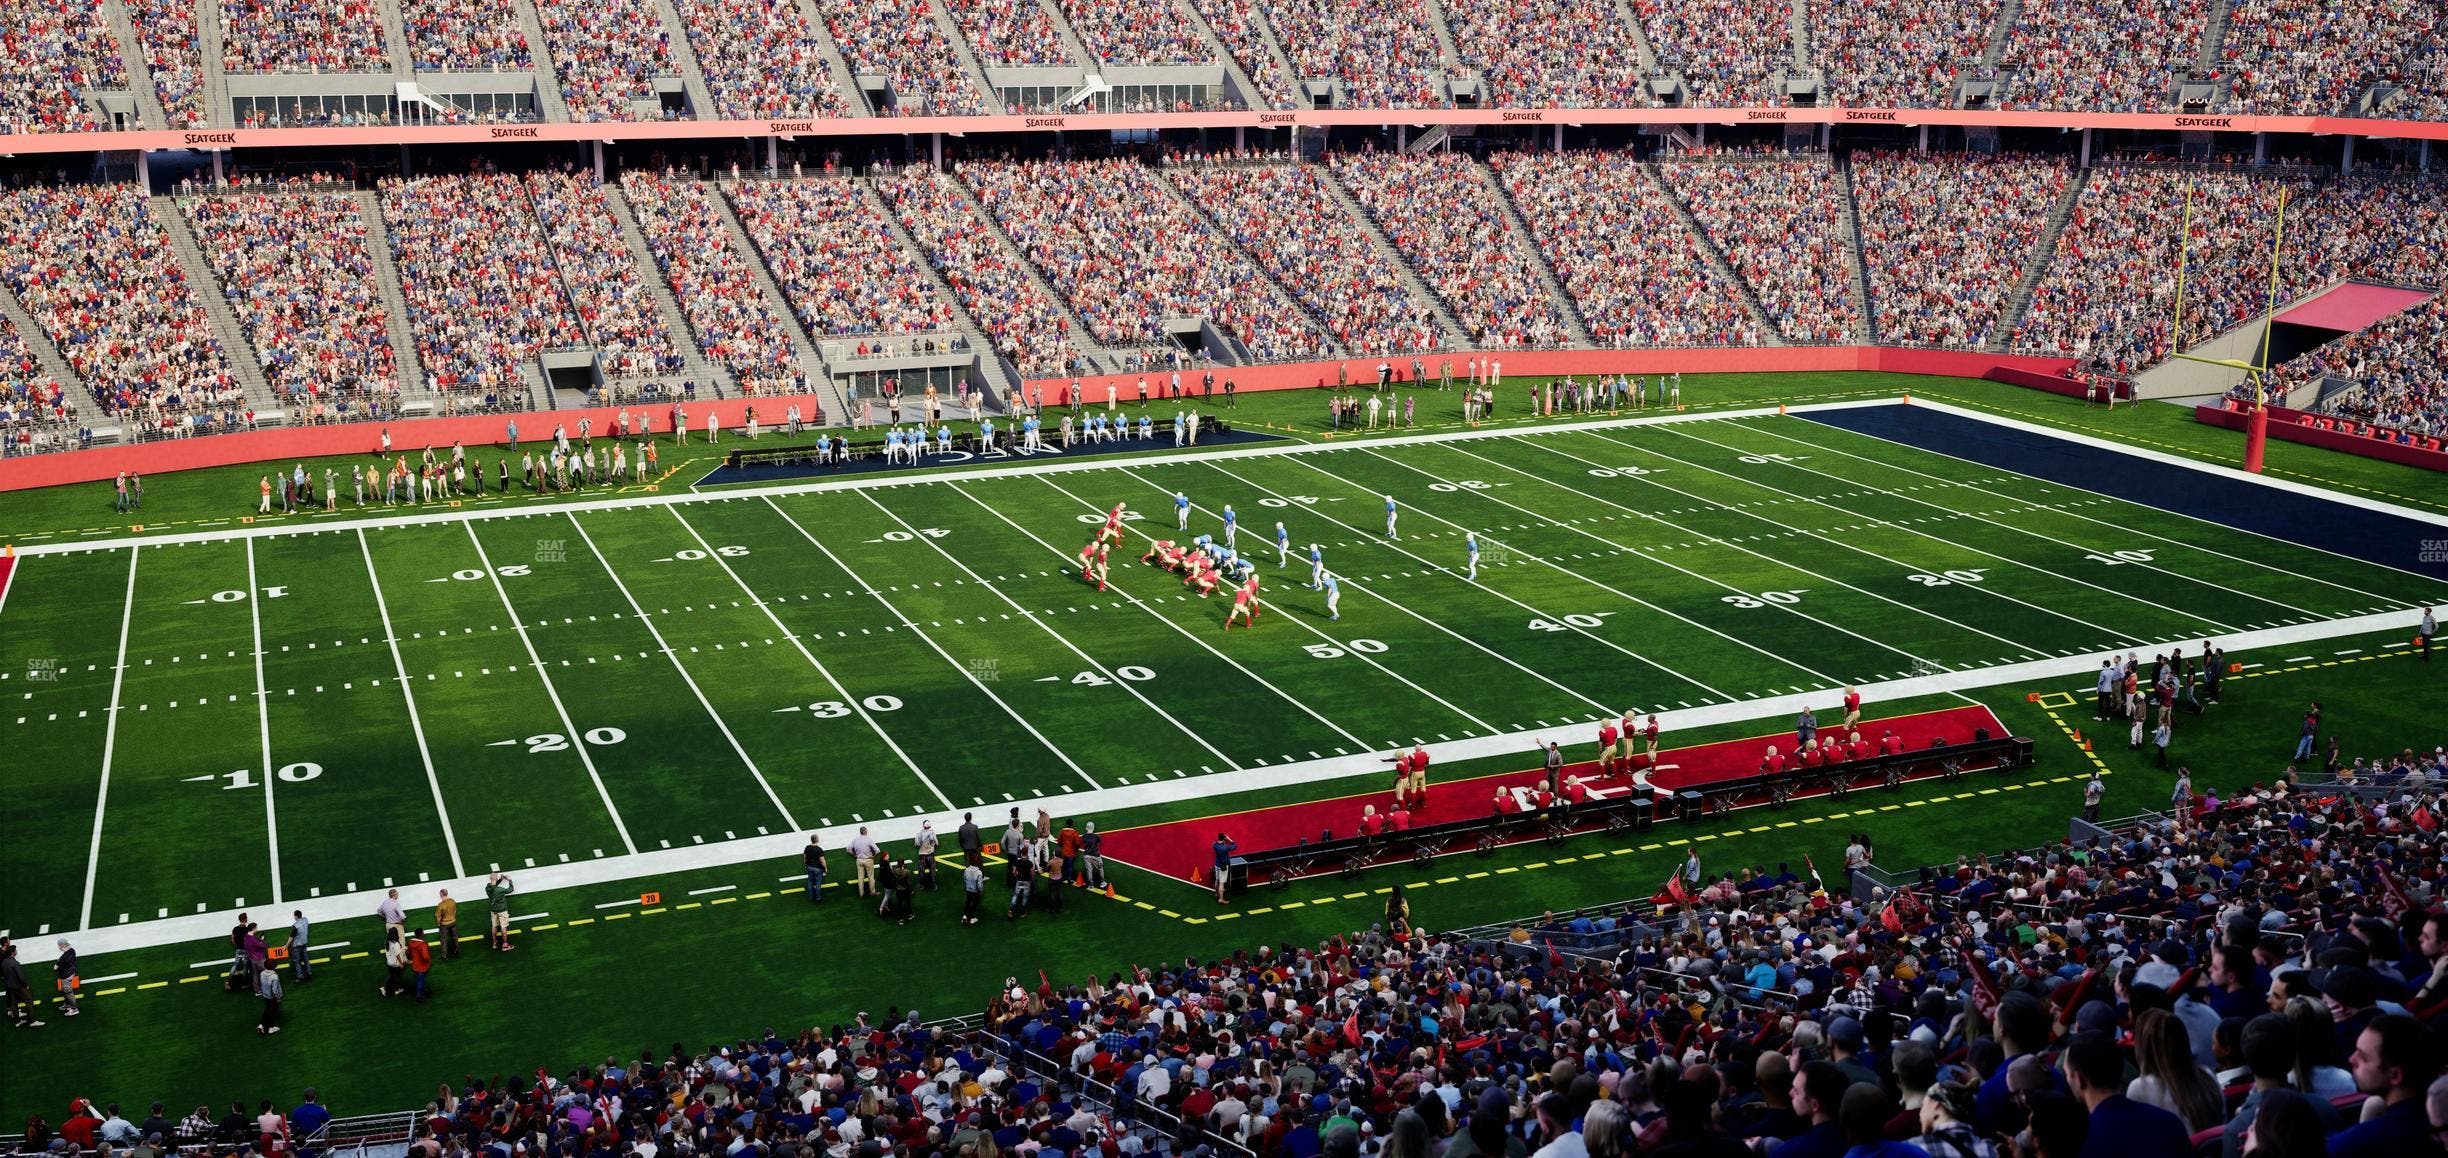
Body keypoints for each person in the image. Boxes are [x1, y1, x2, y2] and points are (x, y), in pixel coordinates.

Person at [2329, 1015, 2441, 1158]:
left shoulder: (2350, 1146)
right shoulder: (2438, 1123)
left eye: (2363, 1057)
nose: (2351, 1059)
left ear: (2395, 1075)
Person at [2063, 1034, 2190, 1158]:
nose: (2066, 1079)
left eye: (2067, 1073)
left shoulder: (2080, 1142)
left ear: (2080, 1079)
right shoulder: (2169, 1123)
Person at [484, 872, 514, 952]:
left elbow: (494, 885)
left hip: (493, 909)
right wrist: (510, 880)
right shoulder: (500, 890)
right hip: (502, 910)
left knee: (494, 926)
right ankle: (505, 945)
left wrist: (500, 879)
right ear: (496, 878)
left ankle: (495, 943)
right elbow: (511, 889)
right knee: (503, 927)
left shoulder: (487, 887)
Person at [849, 826, 878, 898]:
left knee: (860, 877)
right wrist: (873, 856)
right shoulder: (869, 840)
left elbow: (848, 849)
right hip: (868, 859)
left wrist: (854, 855)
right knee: (870, 877)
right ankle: (872, 892)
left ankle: (861, 893)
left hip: (859, 860)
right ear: (866, 831)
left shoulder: (855, 840)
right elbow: (877, 850)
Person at [52, 938, 79, 1016]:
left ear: (61, 946)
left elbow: (55, 968)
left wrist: (58, 961)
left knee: (68, 993)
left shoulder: (63, 958)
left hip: (66, 977)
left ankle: (74, 1009)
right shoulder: (72, 951)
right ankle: (68, 1004)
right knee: (65, 991)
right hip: (71, 973)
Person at [379, 927, 407, 997]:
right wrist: (401, 963)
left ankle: (384, 987)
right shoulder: (396, 944)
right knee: (396, 976)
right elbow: (397, 955)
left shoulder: (386, 941)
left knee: (391, 975)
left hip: (389, 962)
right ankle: (397, 990)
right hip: (395, 963)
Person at [1212, 832, 1237, 903]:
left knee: (1217, 880)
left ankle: (1216, 893)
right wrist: (1229, 839)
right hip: (1223, 866)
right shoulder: (1225, 847)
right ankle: (1221, 899)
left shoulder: (1214, 845)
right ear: (1224, 839)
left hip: (1217, 864)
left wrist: (1223, 840)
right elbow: (1235, 846)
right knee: (1221, 883)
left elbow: (1217, 842)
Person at [406, 932, 431, 1002]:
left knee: (420, 978)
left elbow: (408, 952)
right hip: (422, 965)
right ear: (421, 935)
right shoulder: (423, 944)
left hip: (415, 965)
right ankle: (419, 996)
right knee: (420, 980)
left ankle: (424, 989)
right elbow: (425, 956)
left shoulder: (411, 942)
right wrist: (428, 960)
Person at [287, 910, 311, 982]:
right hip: (304, 943)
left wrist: (286, 945)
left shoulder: (295, 926)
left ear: (296, 916)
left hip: (296, 945)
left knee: (297, 962)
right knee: (306, 959)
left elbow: (291, 937)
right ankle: (309, 972)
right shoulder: (305, 919)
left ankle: (300, 977)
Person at [433, 890, 457, 960]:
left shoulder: (440, 905)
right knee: (454, 937)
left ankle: (444, 955)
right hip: (453, 922)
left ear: (441, 894)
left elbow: (438, 916)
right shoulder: (452, 901)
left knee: (443, 939)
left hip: (444, 924)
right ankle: (456, 950)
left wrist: (438, 923)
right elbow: (455, 910)